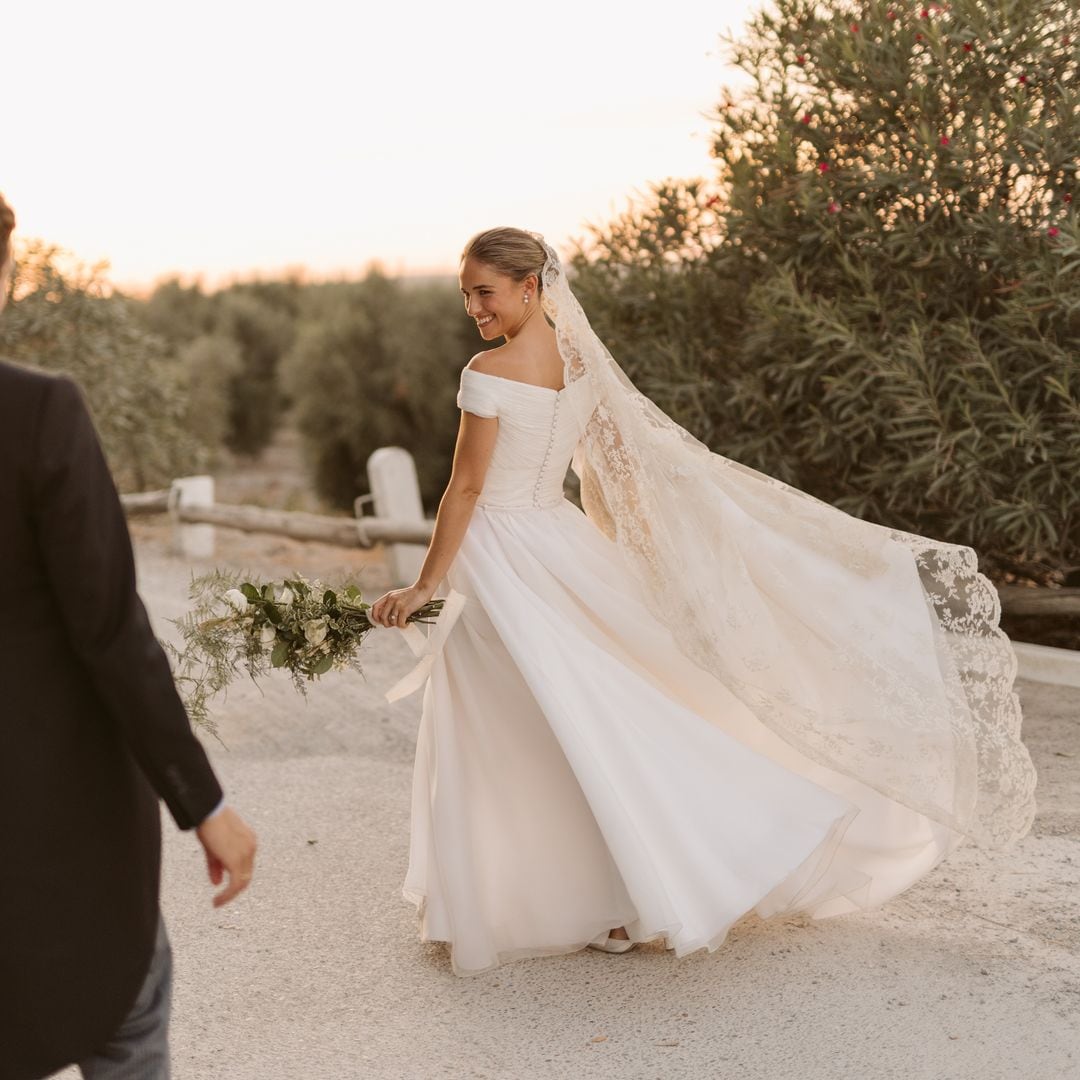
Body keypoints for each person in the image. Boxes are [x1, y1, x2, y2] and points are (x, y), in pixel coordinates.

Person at [369, 226, 1037, 976]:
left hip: (499, 556)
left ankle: (572, 893)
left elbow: (465, 487)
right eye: (465, 293)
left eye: (484, 292)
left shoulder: (487, 372)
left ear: (530, 287)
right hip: (556, 539)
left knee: (527, 722)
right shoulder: (579, 362)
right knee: (573, 715)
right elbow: (612, 468)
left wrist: (427, 581)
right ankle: (611, 896)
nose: (473, 308)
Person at [0, 193, 258, 1079]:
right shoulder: (37, 413)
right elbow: (112, 633)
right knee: (130, 1022)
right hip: (59, 830)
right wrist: (206, 806)